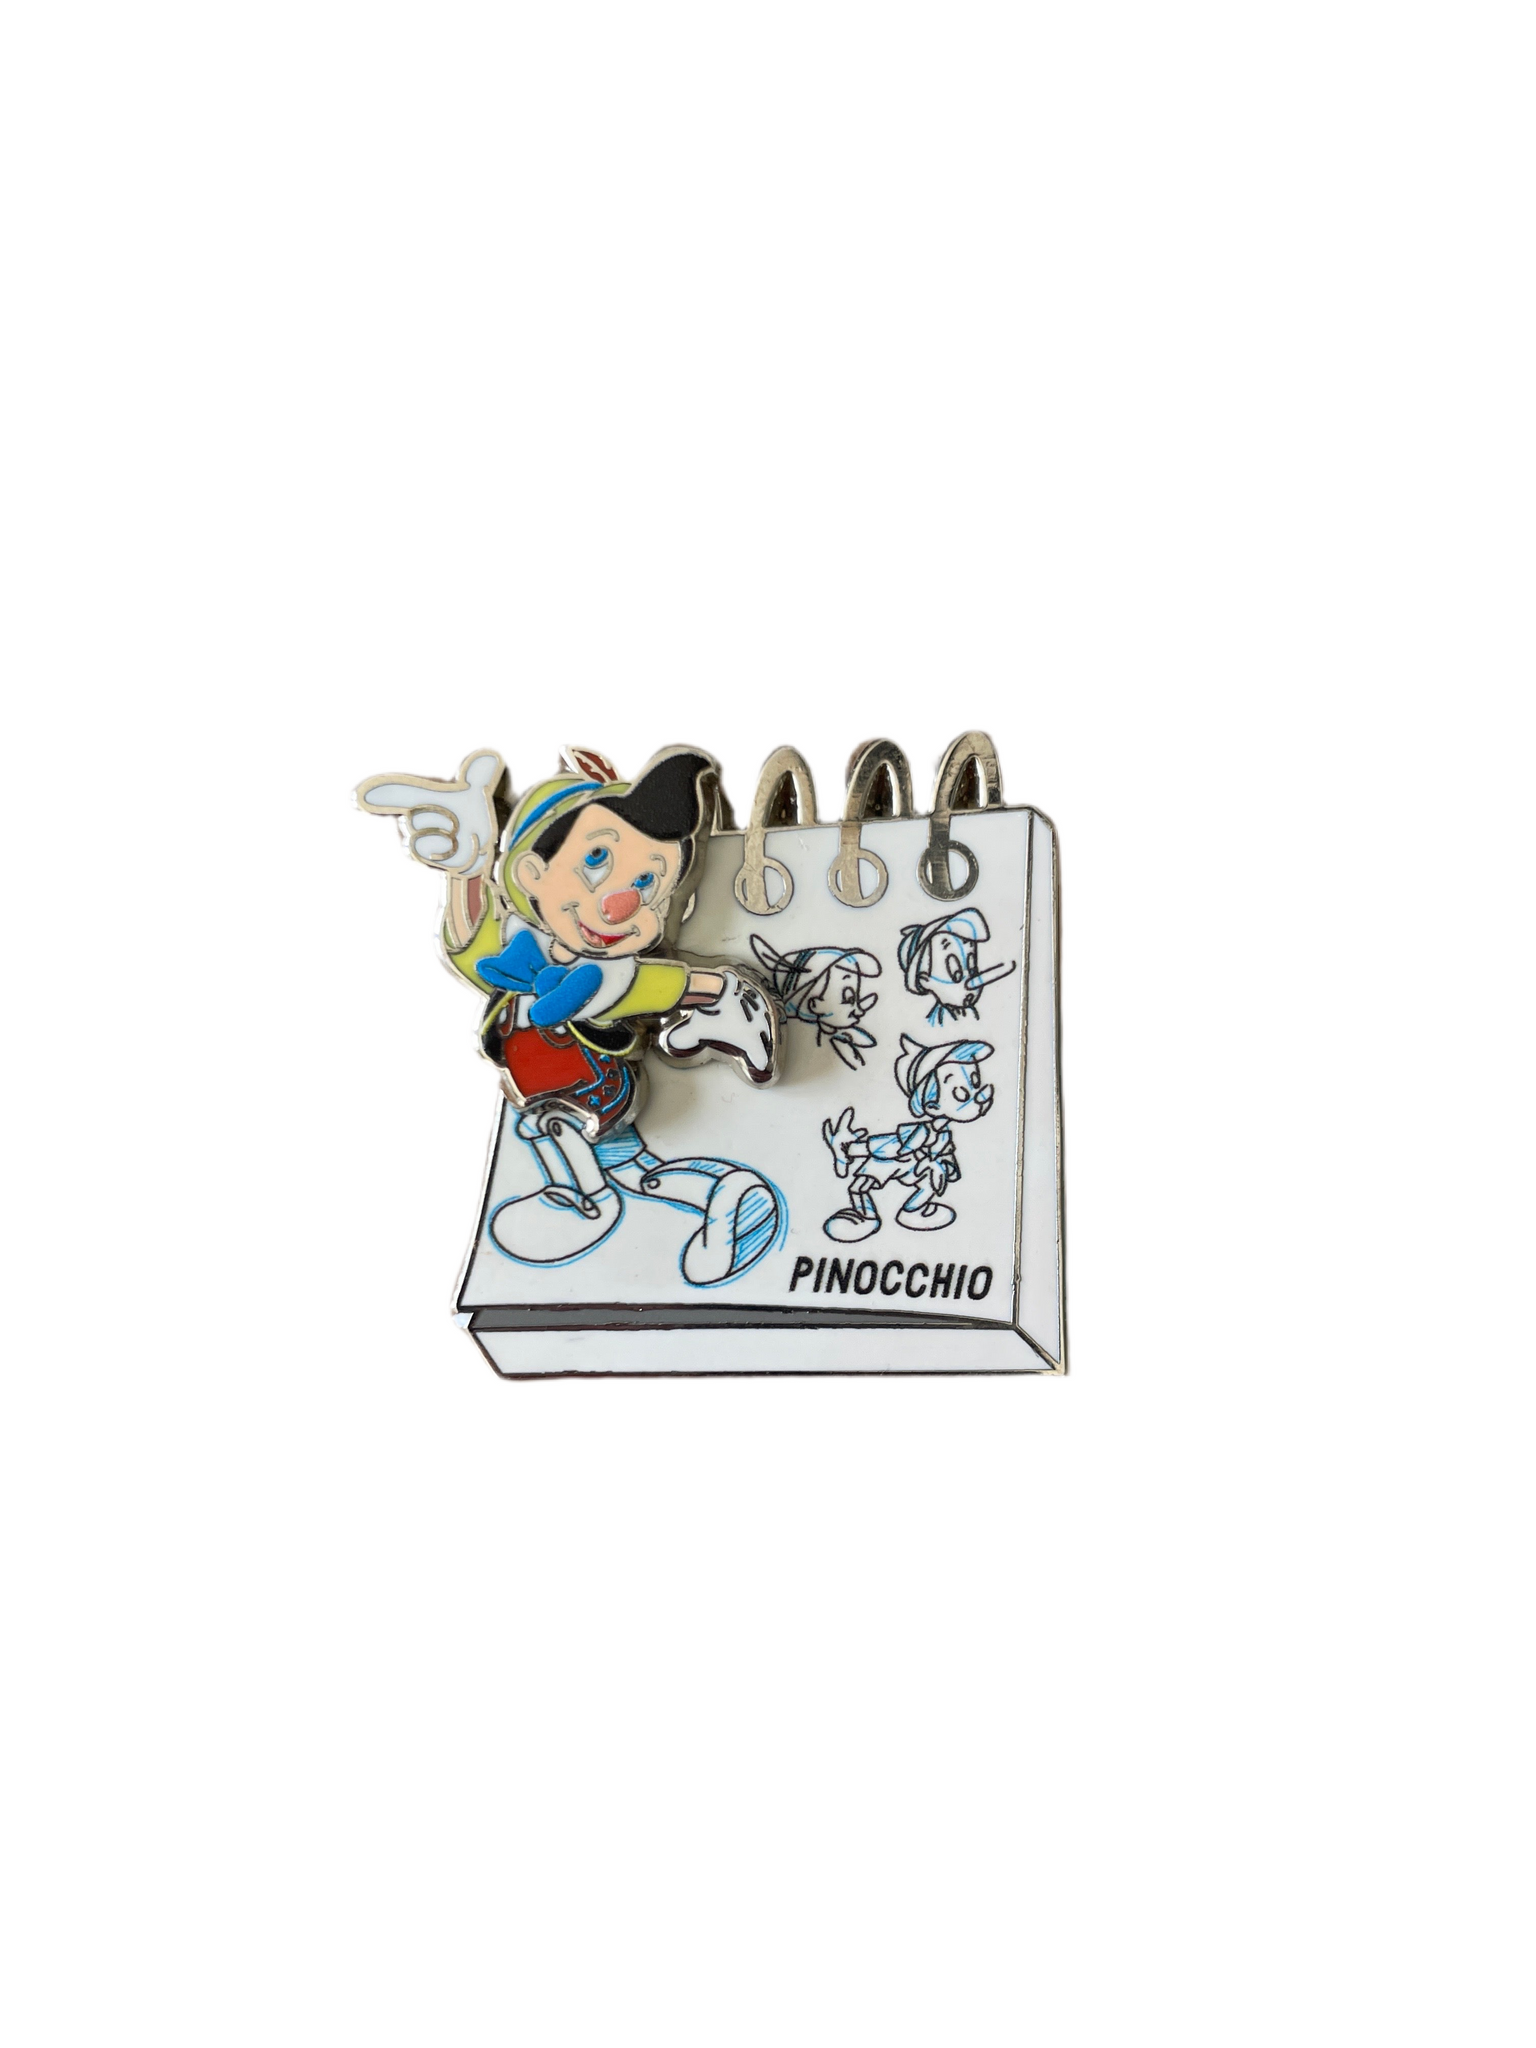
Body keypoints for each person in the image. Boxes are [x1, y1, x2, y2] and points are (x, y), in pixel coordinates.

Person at [359, 745, 782, 1283]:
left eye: (648, 885)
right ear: (530, 871)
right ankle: (702, 1194)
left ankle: (599, 1203)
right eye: (597, 859)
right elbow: (470, 945)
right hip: (548, 1088)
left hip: (590, 1089)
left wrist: (720, 992)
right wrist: (468, 871)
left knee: (602, 1155)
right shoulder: (517, 950)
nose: (621, 903)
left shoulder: (606, 978)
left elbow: (661, 984)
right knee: (626, 1166)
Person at [821, 1035, 995, 1242]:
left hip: (916, 1166)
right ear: (932, 1106)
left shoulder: (943, 1134)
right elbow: (892, 1145)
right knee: (859, 1187)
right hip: (893, 1161)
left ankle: (912, 1210)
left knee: (931, 1180)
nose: (977, 1097)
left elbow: (945, 1155)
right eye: (961, 1093)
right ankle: (866, 1216)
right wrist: (852, 1150)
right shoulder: (921, 1132)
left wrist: (942, 1167)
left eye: (975, 1082)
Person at [747, 935, 881, 1068]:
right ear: (814, 1004)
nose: (859, 1010)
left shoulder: (850, 1038)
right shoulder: (812, 1049)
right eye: (849, 998)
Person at [896, 905, 1015, 1026]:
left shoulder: (976, 1016)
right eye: (956, 974)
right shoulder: (938, 1023)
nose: (971, 980)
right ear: (924, 981)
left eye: (972, 968)